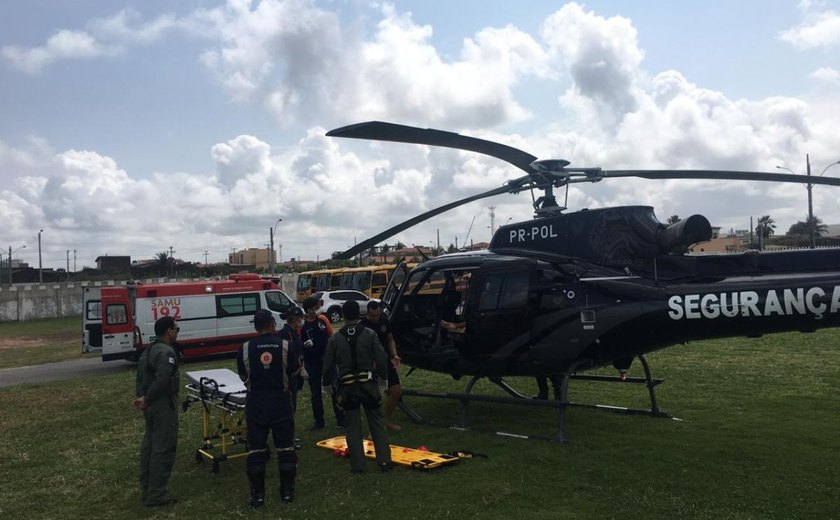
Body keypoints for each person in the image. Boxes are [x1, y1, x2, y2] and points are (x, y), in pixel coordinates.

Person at [237, 309, 300, 507]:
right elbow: (295, 370)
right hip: (280, 400)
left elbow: (243, 375)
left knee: (256, 449)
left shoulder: (245, 348)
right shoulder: (286, 345)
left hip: (256, 403)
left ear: (256, 327)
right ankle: (287, 492)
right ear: (273, 324)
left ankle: (258, 495)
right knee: (285, 447)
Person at [322, 300, 392, 473]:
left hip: (347, 389)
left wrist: (327, 385)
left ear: (344, 316)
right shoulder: (369, 334)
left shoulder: (335, 338)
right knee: (376, 423)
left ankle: (358, 465)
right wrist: (384, 378)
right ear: (359, 314)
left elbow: (327, 364)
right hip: (368, 385)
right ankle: (384, 461)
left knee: (352, 427)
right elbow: (381, 357)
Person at [133, 316, 180, 507]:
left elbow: (141, 378)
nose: (177, 332)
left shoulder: (148, 350)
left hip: (150, 406)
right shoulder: (165, 352)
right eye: (176, 328)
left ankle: (147, 489)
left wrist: (143, 398)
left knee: (150, 446)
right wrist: (148, 398)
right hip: (161, 405)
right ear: (169, 331)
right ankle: (157, 495)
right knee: (163, 448)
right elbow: (162, 380)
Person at [300, 296, 345, 430]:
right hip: (311, 362)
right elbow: (298, 344)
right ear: (308, 310)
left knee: (335, 388)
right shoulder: (302, 325)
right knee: (315, 392)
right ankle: (319, 420)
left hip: (328, 360)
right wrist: (304, 346)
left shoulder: (323, 320)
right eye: (315, 308)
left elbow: (332, 336)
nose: (318, 310)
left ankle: (340, 418)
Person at [360, 300, 402, 431]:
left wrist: (394, 354)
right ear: (367, 313)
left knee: (396, 391)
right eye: (373, 315)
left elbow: (390, 339)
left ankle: (386, 420)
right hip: (370, 365)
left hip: (385, 361)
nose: (375, 318)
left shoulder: (384, 321)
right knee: (374, 396)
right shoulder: (363, 326)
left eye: (377, 315)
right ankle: (374, 426)